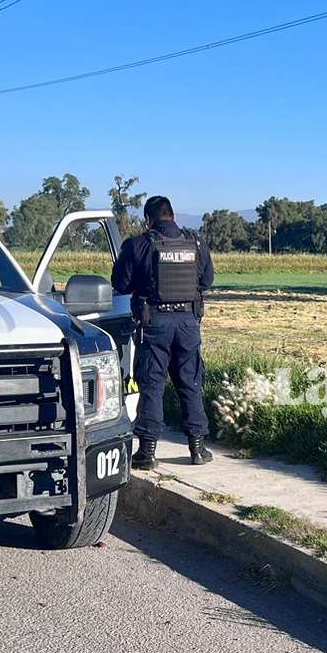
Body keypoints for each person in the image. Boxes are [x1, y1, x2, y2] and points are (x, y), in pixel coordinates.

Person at [112, 195, 216, 469]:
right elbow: (207, 280)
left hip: (155, 323)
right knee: (190, 382)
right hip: (188, 323)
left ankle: (147, 453)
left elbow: (120, 284)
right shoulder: (196, 243)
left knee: (152, 386)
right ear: (173, 216)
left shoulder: (138, 245)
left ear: (148, 219)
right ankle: (197, 448)